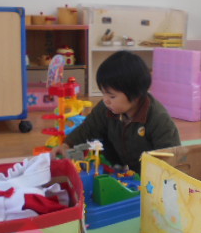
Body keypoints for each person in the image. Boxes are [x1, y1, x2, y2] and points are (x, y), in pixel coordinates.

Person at [51, 50, 181, 173]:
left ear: (135, 94)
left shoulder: (158, 119)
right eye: (103, 94)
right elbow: (88, 128)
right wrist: (67, 144)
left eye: (112, 96)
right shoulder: (106, 108)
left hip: (150, 175)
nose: (105, 100)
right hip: (118, 167)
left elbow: (171, 156)